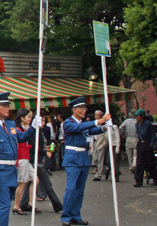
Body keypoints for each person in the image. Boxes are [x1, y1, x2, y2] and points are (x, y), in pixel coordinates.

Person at [0, 92, 40, 226]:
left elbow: (21, 138)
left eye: (8, 105)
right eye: (4, 106)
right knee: (2, 207)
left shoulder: (10, 124)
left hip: (11, 171)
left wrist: (33, 127)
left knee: (5, 206)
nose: (8, 108)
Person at [61, 97, 111, 226]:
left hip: (82, 156)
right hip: (72, 158)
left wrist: (104, 127)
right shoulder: (68, 123)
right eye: (81, 109)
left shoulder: (82, 123)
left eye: (85, 108)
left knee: (79, 190)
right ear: (74, 110)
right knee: (71, 188)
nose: (84, 111)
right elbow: (79, 128)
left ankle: (75, 215)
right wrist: (99, 121)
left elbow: (90, 130)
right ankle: (66, 216)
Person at [133, 108, 157, 187]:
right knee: (139, 163)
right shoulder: (137, 124)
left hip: (147, 144)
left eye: (137, 116)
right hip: (140, 143)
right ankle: (138, 181)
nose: (136, 117)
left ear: (142, 116)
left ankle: (154, 177)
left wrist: (151, 145)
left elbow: (153, 135)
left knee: (150, 163)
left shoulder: (147, 124)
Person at [90, 110, 104, 177]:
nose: (96, 117)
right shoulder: (94, 124)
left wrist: (104, 144)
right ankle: (105, 168)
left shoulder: (103, 124)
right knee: (94, 160)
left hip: (101, 143)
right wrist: (90, 144)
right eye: (95, 115)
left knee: (100, 159)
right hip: (94, 143)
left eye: (98, 115)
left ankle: (98, 174)